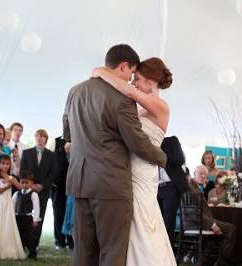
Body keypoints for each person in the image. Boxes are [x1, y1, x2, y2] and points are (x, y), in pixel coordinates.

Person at [63, 44, 167, 266]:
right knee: (112, 252)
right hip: (110, 184)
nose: (130, 80)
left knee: (83, 252)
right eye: (131, 73)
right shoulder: (122, 99)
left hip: (80, 182)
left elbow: (67, 132)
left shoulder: (75, 91)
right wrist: (163, 159)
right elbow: (136, 142)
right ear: (124, 66)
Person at [92, 56, 175, 266]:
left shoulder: (161, 106)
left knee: (143, 221)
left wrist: (103, 72)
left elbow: (128, 91)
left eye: (137, 78)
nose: (134, 82)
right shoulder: (140, 107)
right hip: (127, 169)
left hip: (143, 171)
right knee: (130, 221)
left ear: (150, 80)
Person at [187, 167, 236, 266]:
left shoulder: (194, 187)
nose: (203, 176)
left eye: (205, 174)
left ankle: (208, 259)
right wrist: (212, 225)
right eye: (200, 174)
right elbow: (195, 211)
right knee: (231, 228)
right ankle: (222, 262)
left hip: (199, 221)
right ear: (194, 174)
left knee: (222, 231)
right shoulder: (191, 188)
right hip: (196, 222)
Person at [20, 129, 55, 248]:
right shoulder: (26, 153)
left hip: (43, 191)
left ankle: (34, 245)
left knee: (39, 217)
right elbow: (22, 171)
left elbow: (53, 173)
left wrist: (42, 185)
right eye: (37, 136)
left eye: (42, 136)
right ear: (35, 138)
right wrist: (30, 185)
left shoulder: (51, 155)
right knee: (26, 217)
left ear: (46, 139)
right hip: (28, 190)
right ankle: (24, 243)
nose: (39, 138)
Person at [158, 136, 189, 251]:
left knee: (168, 223)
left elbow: (180, 159)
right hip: (155, 188)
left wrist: (160, 155)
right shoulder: (146, 143)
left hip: (171, 186)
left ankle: (168, 255)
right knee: (156, 223)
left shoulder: (171, 140)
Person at [12, 170, 41, 259]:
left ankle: (32, 253)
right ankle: (20, 253)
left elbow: (36, 208)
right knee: (19, 236)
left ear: (31, 183)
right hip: (18, 217)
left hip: (28, 218)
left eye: (27, 183)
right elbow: (12, 206)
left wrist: (35, 220)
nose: (24, 185)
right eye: (22, 182)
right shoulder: (17, 194)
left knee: (29, 237)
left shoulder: (34, 194)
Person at [50, 136, 71, 249]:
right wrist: (52, 181)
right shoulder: (55, 141)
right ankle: (59, 241)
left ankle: (71, 241)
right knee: (58, 213)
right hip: (58, 186)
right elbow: (49, 160)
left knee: (73, 213)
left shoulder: (79, 135)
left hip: (74, 183)